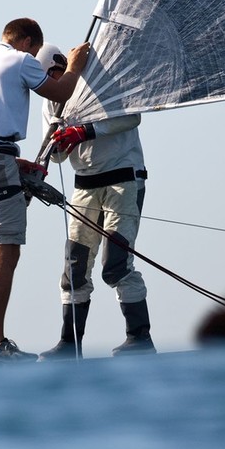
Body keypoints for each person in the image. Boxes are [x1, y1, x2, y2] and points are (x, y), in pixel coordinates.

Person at [0, 18, 89, 363]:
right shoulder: (20, 59)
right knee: (5, 254)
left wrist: (13, 163)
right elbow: (61, 92)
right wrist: (74, 66)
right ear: (27, 42)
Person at [34, 43, 155, 359]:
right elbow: (57, 156)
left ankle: (139, 338)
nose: (51, 87)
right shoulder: (50, 103)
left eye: (53, 76)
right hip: (85, 185)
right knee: (74, 269)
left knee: (115, 264)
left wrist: (84, 132)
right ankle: (69, 344)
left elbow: (131, 116)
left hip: (123, 179)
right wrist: (58, 147)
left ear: (61, 66)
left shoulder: (98, 81)